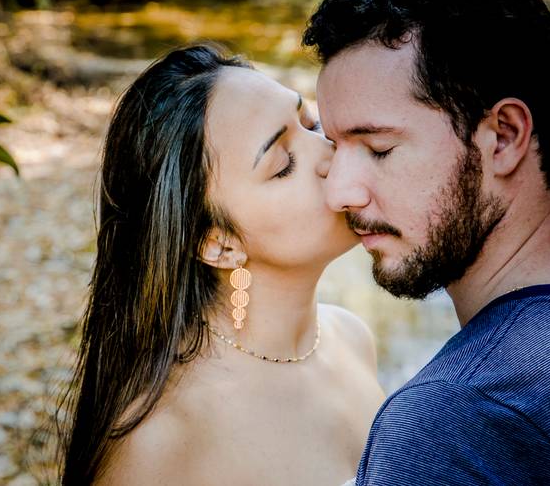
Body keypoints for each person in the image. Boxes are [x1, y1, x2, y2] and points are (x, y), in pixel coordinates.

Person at [303, 0, 550, 484]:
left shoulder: (456, 416)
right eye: (333, 146)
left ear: (503, 136)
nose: (340, 193)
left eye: (378, 149)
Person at [58, 44, 385, 485]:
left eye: (310, 123)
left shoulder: (353, 339)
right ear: (219, 244)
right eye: (283, 165)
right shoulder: (159, 440)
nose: (331, 151)